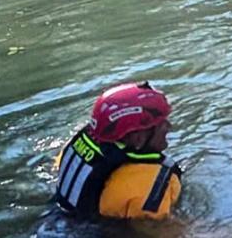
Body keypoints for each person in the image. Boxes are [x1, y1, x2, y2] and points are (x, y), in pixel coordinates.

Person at [51, 82, 181, 220]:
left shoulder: (78, 145)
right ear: (137, 139)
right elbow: (153, 231)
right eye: (161, 123)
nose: (169, 126)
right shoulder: (147, 186)